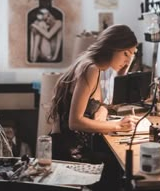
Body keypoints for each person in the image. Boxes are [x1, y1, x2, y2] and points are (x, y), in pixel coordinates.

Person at [47, 24, 140, 190]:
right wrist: (117, 125)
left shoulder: (94, 66)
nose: (128, 60)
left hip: (69, 146)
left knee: (118, 165)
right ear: (112, 46)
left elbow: (98, 104)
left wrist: (101, 110)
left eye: (132, 55)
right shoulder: (91, 69)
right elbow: (74, 122)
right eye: (126, 53)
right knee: (121, 169)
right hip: (68, 152)